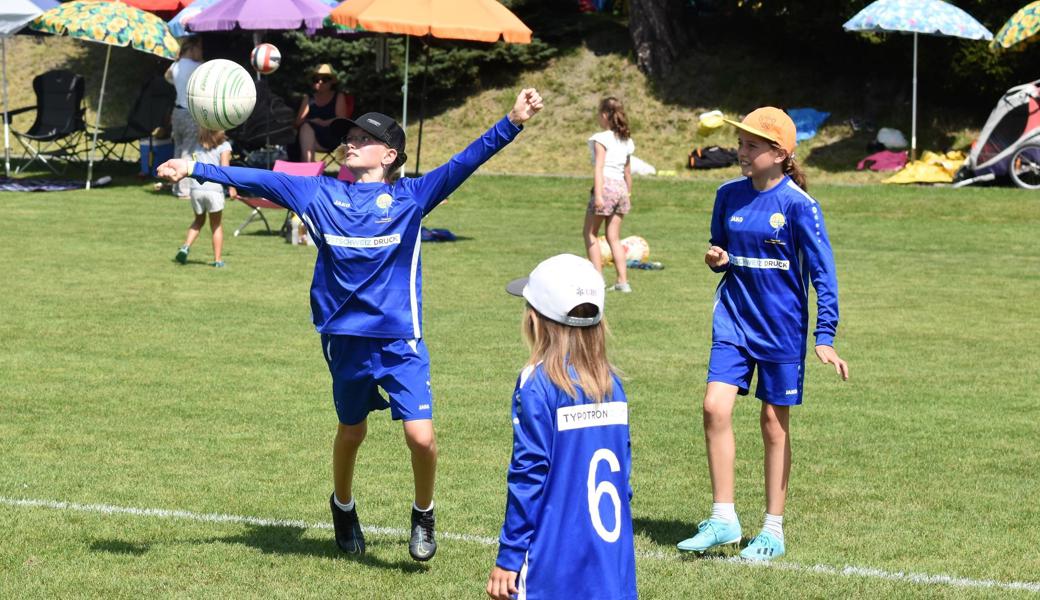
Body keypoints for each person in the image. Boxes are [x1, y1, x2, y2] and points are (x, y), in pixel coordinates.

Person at [157, 88, 544, 562]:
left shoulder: (412, 196)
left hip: (399, 338)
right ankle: (343, 505)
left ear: (390, 154)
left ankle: (423, 512)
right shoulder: (318, 192)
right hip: (344, 340)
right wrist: (193, 167)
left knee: (421, 436)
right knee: (352, 431)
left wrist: (513, 120)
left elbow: (465, 162)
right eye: (351, 136)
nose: (353, 142)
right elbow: (255, 177)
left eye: (365, 137)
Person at [676, 107, 849, 561]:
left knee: (773, 424)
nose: (742, 152)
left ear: (780, 154)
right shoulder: (727, 195)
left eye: (752, 146)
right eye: (741, 144)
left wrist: (824, 336)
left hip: (781, 329)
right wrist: (718, 260)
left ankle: (772, 530)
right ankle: (724, 518)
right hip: (733, 320)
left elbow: (823, 275)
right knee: (714, 406)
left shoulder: (798, 206)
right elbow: (721, 249)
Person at [487, 254, 636, 600]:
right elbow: (622, 477)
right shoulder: (612, 384)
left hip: (553, 560)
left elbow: (529, 474)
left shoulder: (537, 384)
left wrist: (509, 557)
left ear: (536, 321)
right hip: (611, 557)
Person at [583, 97, 635, 293]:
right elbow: (628, 172)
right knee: (614, 237)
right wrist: (628, 194)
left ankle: (597, 281)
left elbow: (599, 167)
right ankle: (623, 281)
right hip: (621, 189)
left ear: (604, 115)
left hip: (605, 187)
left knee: (590, 233)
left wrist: (598, 195)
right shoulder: (626, 140)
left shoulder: (600, 139)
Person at [174, 128, 236, 268]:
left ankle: (185, 247)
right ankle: (218, 260)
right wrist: (232, 188)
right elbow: (225, 169)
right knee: (216, 225)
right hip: (214, 190)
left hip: (196, 189)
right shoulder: (224, 146)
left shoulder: (198, 144)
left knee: (198, 221)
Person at [165, 36, 203, 199]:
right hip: (190, 112)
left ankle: (175, 186)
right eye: (200, 49)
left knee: (178, 149)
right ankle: (184, 190)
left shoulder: (176, 65)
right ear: (192, 48)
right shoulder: (198, 66)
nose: (202, 53)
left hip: (177, 111)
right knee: (189, 151)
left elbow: (167, 76)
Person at [295, 64, 355, 163]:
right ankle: (309, 166)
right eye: (316, 79)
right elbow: (298, 122)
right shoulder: (308, 98)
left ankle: (308, 168)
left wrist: (323, 122)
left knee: (306, 131)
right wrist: (312, 121)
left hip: (332, 136)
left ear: (332, 81)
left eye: (325, 79)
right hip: (310, 136)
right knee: (306, 128)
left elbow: (342, 120)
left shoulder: (338, 96)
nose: (320, 82)